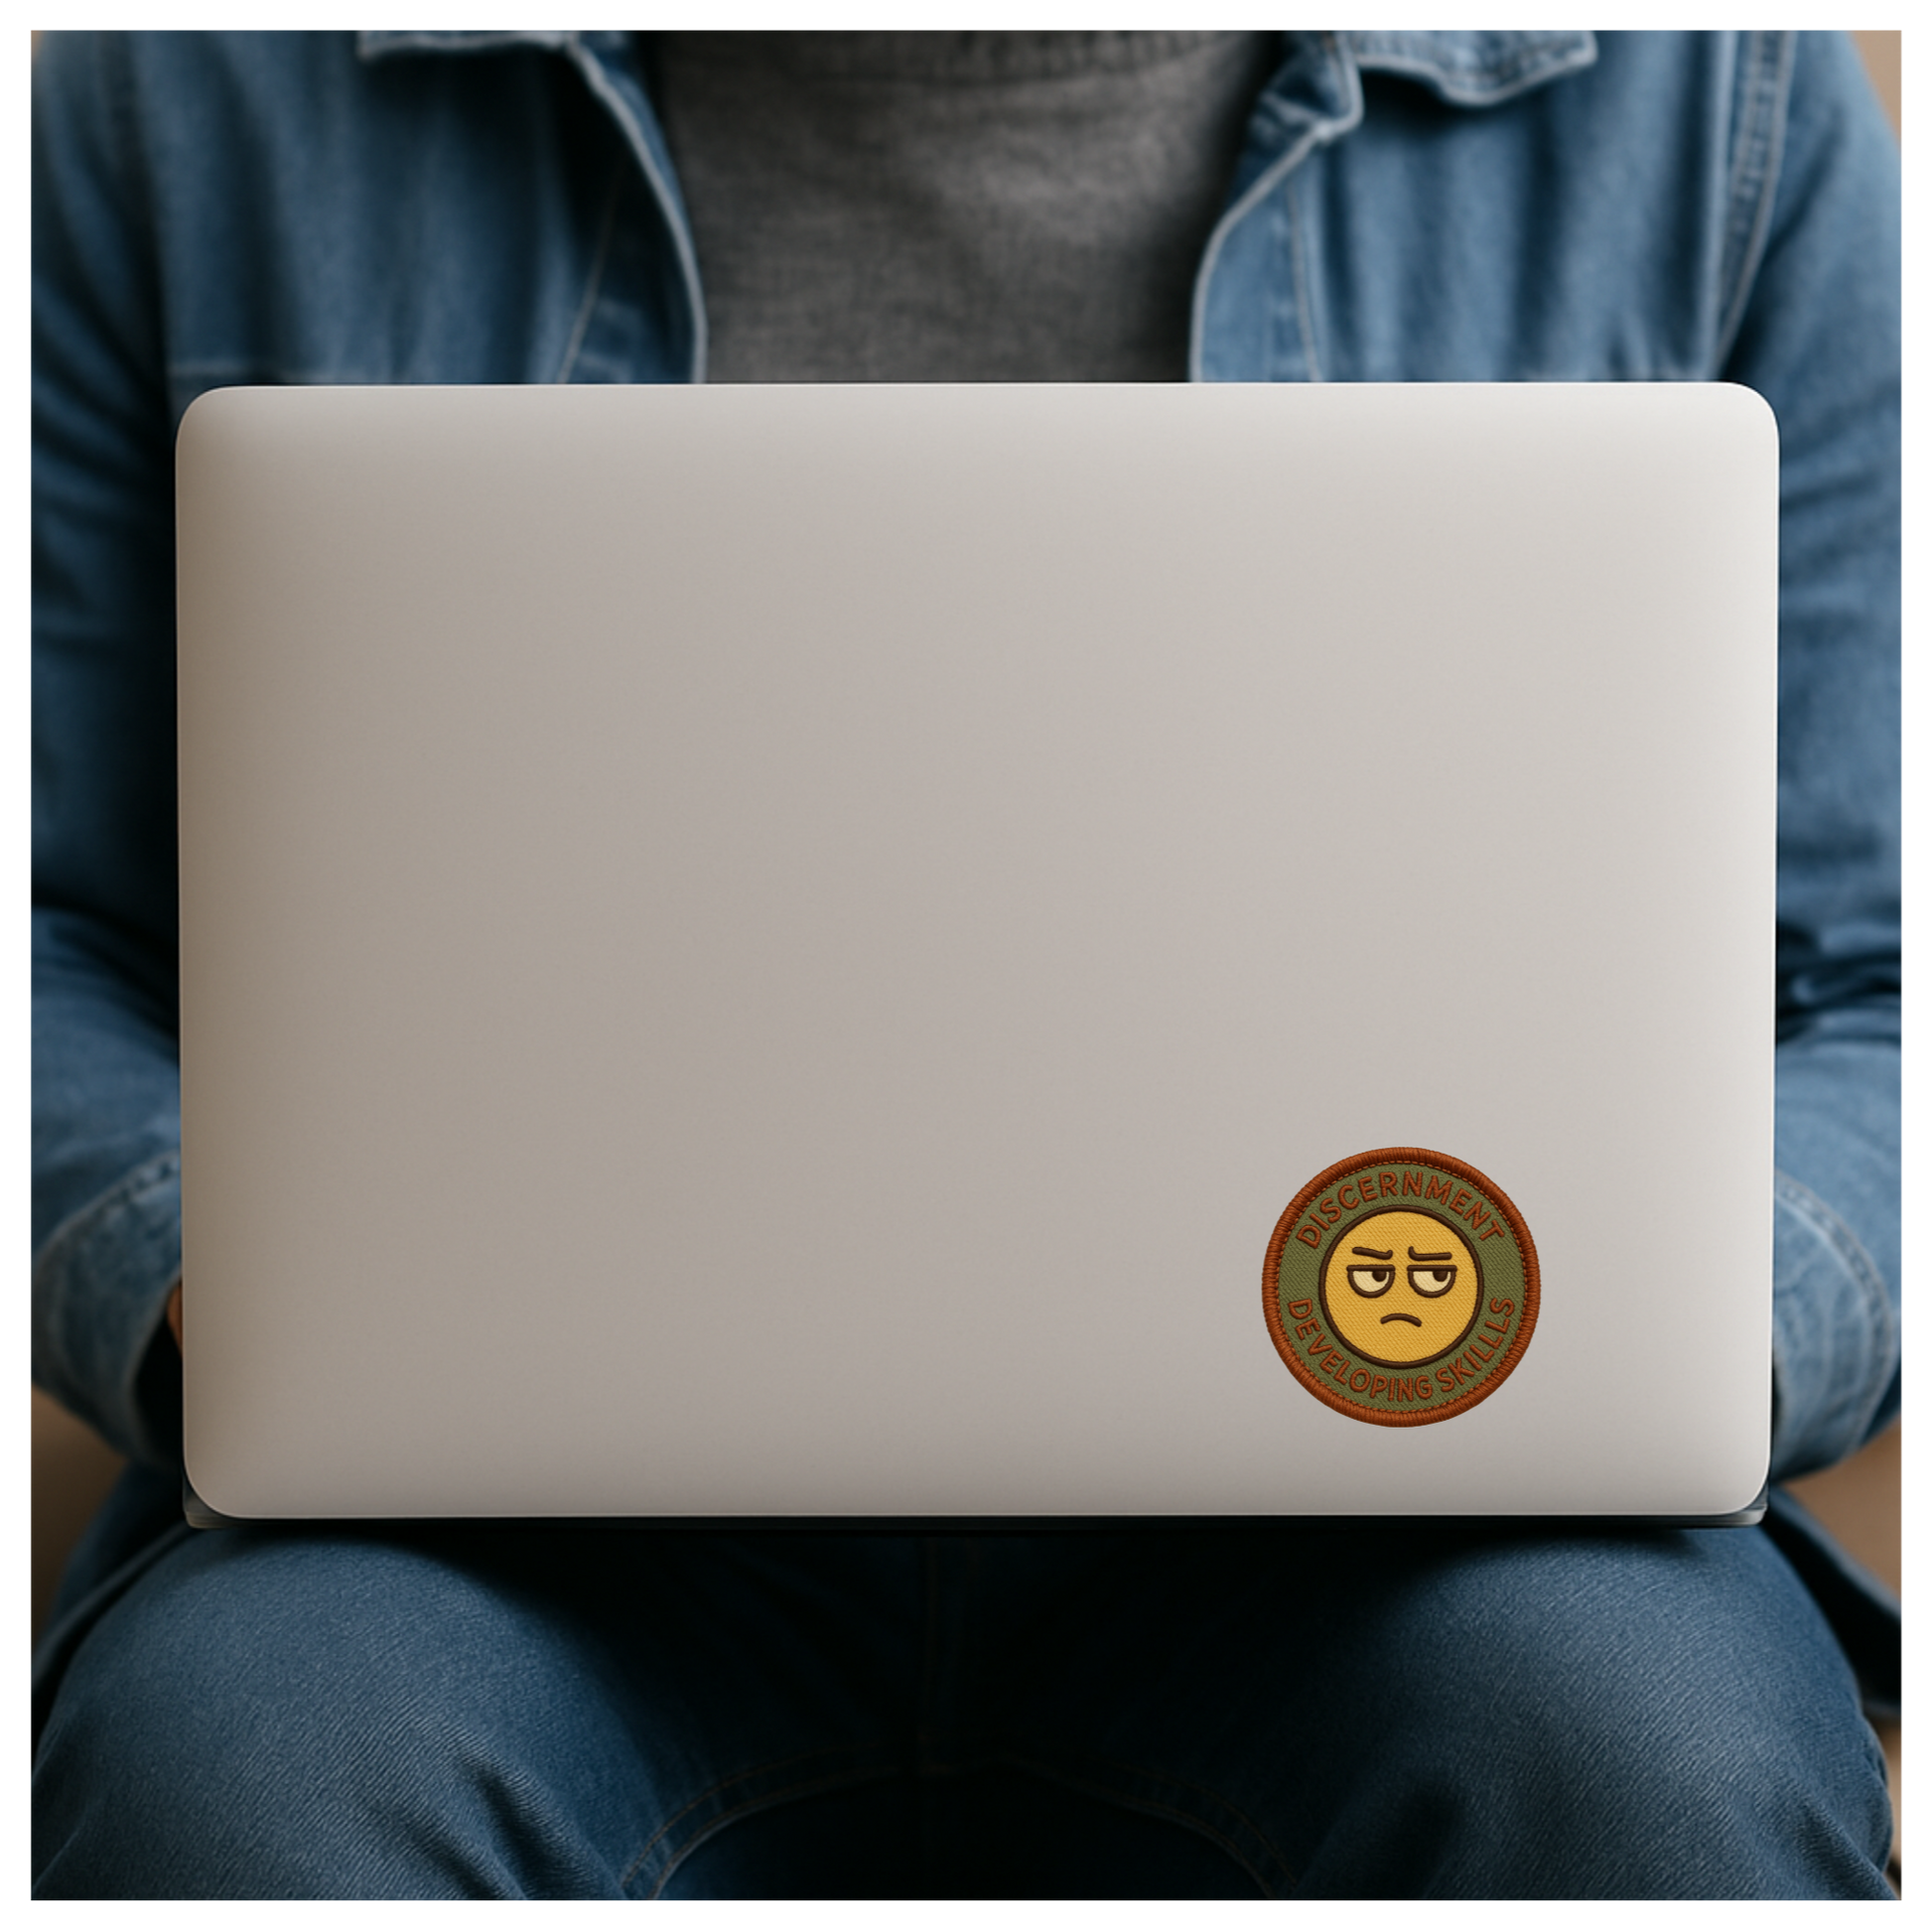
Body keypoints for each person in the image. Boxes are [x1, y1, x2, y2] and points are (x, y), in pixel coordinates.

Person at [29, 28, 1902, 1901]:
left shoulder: (1710, 92)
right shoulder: (184, 89)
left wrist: (1667, 1323)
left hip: (1396, 1509)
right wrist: (230, 1286)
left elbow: (1879, 978)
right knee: (247, 1772)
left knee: (1658, 1758)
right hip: (501, 1531)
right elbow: (50, 933)